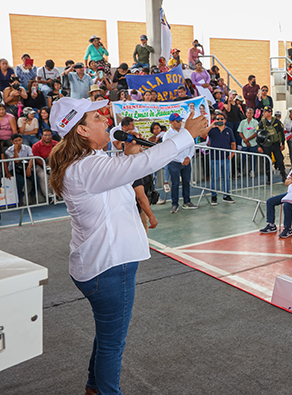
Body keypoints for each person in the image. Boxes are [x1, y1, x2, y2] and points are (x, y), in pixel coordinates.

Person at [47, 97, 207, 394]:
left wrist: (126, 158)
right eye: (97, 118)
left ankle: (94, 387)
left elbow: (118, 175)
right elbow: (145, 163)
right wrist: (187, 134)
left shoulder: (83, 164)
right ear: (81, 130)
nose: (106, 120)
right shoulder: (88, 167)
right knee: (112, 344)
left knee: (106, 334)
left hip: (98, 264)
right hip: (109, 267)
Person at [162, 113, 198, 213]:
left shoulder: (185, 132)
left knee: (186, 182)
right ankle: (174, 204)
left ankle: (187, 202)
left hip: (186, 161)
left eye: (180, 121)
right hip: (174, 162)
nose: (180, 123)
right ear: (171, 122)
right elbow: (169, 151)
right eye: (177, 121)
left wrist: (189, 157)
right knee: (175, 184)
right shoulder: (167, 135)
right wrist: (182, 159)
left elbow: (192, 145)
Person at [205, 111, 236, 205]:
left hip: (226, 158)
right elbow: (203, 134)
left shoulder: (228, 130)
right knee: (215, 178)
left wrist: (232, 154)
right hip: (214, 158)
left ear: (225, 120)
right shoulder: (212, 130)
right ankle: (214, 196)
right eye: (217, 119)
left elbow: (233, 143)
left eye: (221, 119)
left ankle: (226, 195)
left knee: (226, 177)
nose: (219, 120)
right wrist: (211, 126)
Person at [2, 133, 35, 204]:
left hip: (25, 168)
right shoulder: (8, 150)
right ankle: (20, 197)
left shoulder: (27, 147)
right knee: (20, 181)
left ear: (22, 140)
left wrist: (29, 167)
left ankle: (33, 195)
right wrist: (15, 150)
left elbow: (31, 158)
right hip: (14, 169)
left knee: (36, 178)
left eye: (19, 140)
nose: (18, 142)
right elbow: (16, 161)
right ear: (12, 142)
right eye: (16, 141)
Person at [257, 106, 287, 179]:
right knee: (267, 161)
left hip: (276, 144)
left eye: (265, 112)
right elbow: (258, 134)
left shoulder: (277, 121)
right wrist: (259, 146)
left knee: (279, 159)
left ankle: (283, 175)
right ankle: (269, 177)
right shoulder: (262, 122)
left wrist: (283, 143)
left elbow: (281, 133)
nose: (263, 113)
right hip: (266, 145)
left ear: (270, 112)